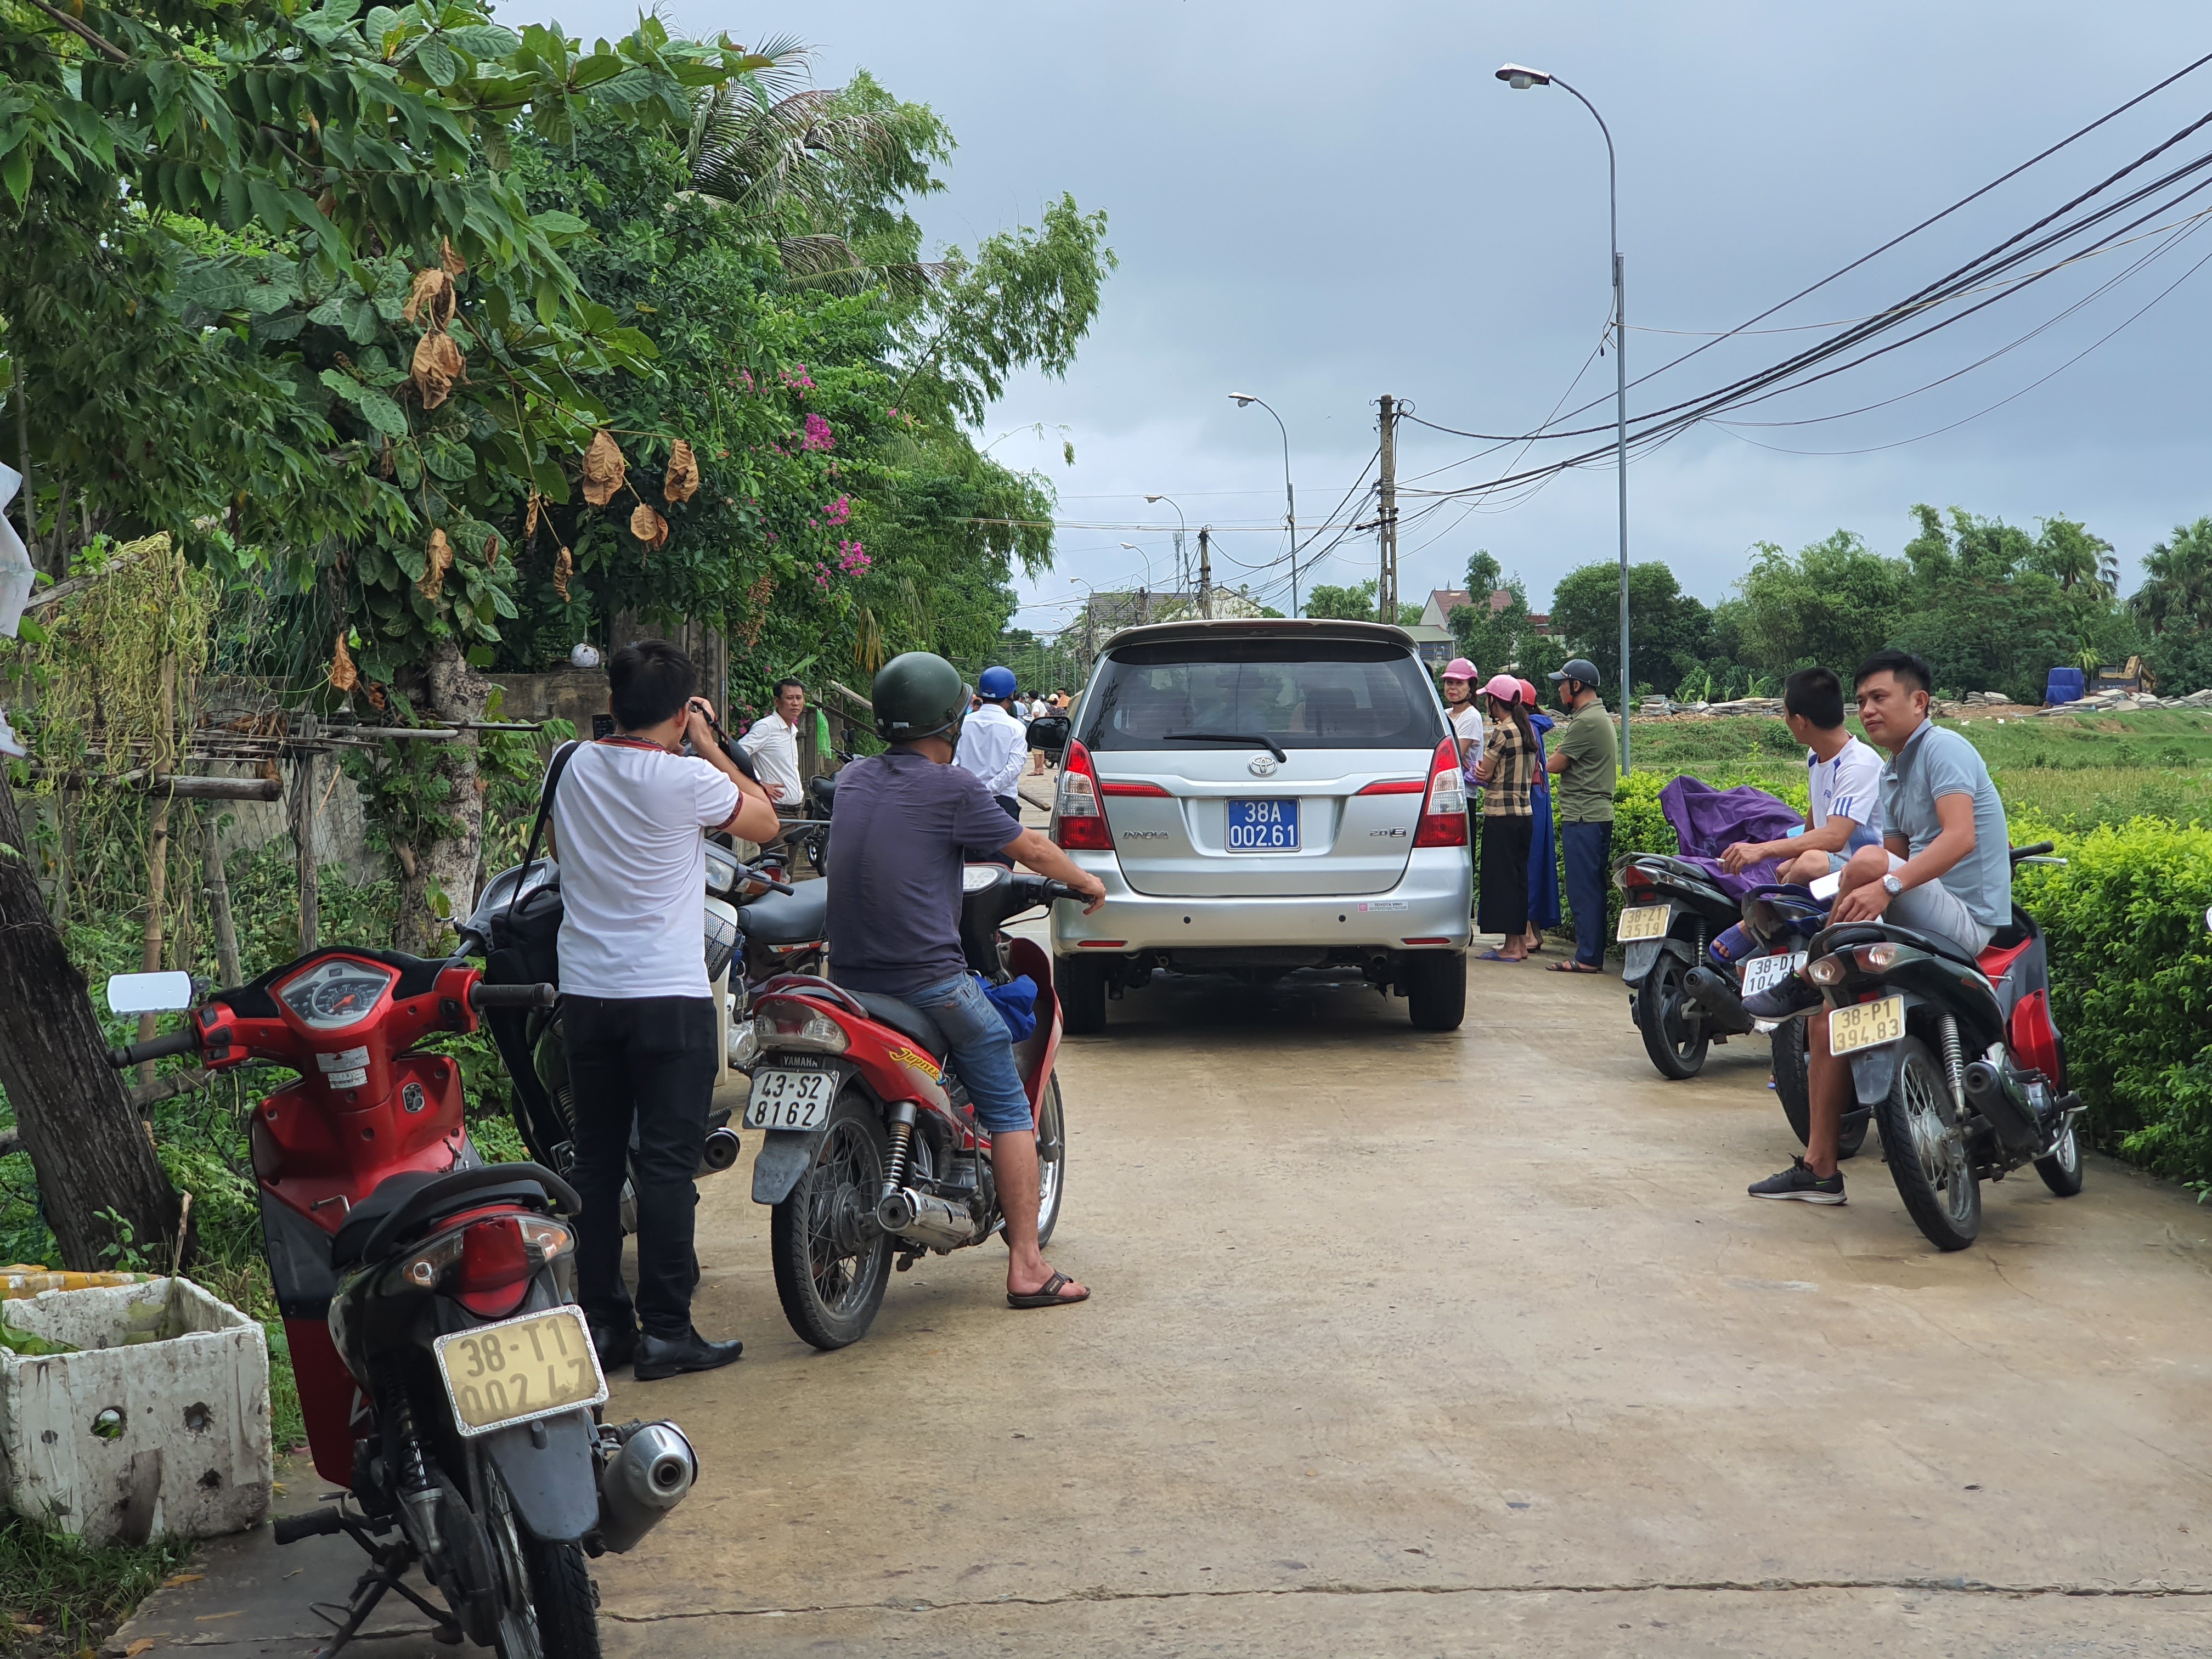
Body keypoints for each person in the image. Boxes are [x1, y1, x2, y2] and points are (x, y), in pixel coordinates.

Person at [827, 652, 1108, 1308]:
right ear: (951, 722)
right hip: (928, 983)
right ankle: (1029, 1267)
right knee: (1010, 1103)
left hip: (848, 982)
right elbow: (1029, 850)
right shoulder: (952, 789)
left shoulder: (854, 780)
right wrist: (1086, 881)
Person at [549, 640, 781, 1378]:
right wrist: (709, 743)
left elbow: (562, 850)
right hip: (667, 998)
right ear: (683, 714)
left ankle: (606, 1326)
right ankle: (668, 1331)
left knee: (595, 1165)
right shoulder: (686, 781)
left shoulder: (570, 764)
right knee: (665, 1170)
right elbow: (767, 821)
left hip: (587, 993)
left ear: (612, 704)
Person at [1746, 648, 2013, 1204]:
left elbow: (1957, 838)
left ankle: (1807, 972)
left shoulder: (1945, 749)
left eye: (1879, 698)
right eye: (1861, 700)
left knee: (1865, 864)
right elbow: (1891, 857)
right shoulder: (1893, 773)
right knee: (1827, 1023)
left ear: (1919, 702)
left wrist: (1885, 884)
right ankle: (1821, 1166)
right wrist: (1877, 885)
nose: (1867, 710)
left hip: (1967, 922)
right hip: (1922, 917)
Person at [1719, 667, 1884, 883]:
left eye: (1785, 713)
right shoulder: (1816, 754)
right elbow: (1817, 809)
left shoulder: (1859, 764)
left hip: (1863, 866)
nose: (1785, 720)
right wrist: (1792, 856)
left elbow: (1835, 837)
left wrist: (1762, 850)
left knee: (1810, 863)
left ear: (1800, 721)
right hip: (1832, 861)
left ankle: (1772, 908)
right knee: (1794, 863)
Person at [1545, 658, 1618, 975]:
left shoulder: (1586, 721)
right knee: (1590, 887)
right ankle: (1590, 953)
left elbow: (1554, 764)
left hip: (1585, 816)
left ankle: (1588, 956)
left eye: (1563, 683)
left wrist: (1559, 752)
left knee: (1584, 890)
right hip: (1593, 816)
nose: (1559, 689)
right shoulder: (1594, 717)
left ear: (1576, 686)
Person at [1469, 675, 1537, 962]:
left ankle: (1510, 948)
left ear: (1496, 701)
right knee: (1519, 879)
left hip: (1502, 815)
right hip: (1525, 814)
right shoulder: (1527, 730)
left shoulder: (1502, 732)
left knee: (1502, 880)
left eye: (1489, 698)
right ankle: (1520, 943)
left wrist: (1478, 771)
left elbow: (1483, 771)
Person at [957, 664, 1031, 862]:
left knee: (966, 868)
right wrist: (988, 791)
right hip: (1002, 806)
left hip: (964, 804)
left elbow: (953, 763)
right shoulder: (1016, 727)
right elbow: (1013, 769)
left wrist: (975, 793)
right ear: (1011, 695)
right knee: (1001, 871)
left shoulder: (964, 724)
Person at [1520, 678, 1561, 953]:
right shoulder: (1536, 726)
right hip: (1540, 802)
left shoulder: (1526, 730)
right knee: (1534, 863)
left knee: (1525, 865)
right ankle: (1533, 931)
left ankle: (1526, 932)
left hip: (1528, 804)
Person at [738, 678, 806, 814]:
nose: (795, 703)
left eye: (799, 698)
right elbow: (736, 754)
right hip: (774, 811)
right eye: (790, 698)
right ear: (777, 701)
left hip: (794, 812)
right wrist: (757, 783)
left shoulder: (792, 730)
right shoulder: (767, 727)